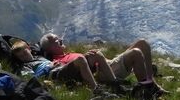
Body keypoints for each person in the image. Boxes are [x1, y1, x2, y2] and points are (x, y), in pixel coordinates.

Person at [38, 33, 167, 96]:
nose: (61, 40)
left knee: (142, 43)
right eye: (57, 41)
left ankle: (152, 83)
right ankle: (145, 90)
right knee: (136, 53)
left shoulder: (69, 53)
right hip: (103, 72)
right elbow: (70, 70)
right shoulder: (57, 61)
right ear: (50, 48)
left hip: (107, 63)